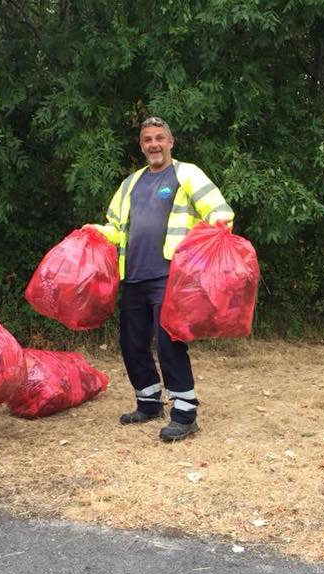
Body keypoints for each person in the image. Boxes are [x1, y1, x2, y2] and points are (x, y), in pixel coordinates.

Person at [90, 117, 234, 442]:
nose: (153, 144)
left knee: (169, 343)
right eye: (147, 140)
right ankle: (149, 402)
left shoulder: (186, 174)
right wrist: (95, 232)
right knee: (131, 343)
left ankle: (185, 414)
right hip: (134, 277)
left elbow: (218, 212)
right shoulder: (130, 184)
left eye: (159, 138)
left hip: (170, 276)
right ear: (141, 146)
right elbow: (114, 227)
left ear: (171, 142)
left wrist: (218, 229)